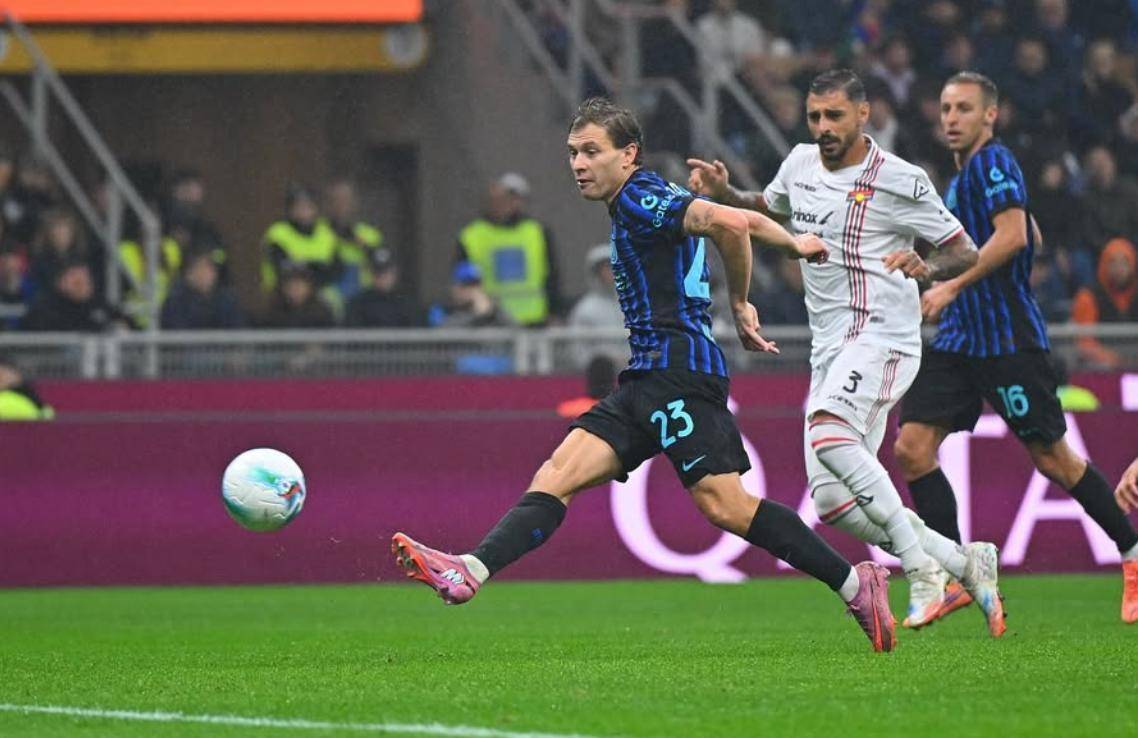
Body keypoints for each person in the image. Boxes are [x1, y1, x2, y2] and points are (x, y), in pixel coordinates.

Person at [394, 97, 901, 653]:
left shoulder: (639, 198)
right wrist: (793, 243)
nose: (578, 163)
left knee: (725, 505)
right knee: (558, 473)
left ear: (628, 154)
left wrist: (739, 303)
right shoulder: (649, 196)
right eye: (573, 152)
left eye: (592, 151)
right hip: (645, 377)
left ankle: (855, 583)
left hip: (680, 373)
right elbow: (735, 218)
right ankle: (469, 570)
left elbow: (730, 221)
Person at [687, 69, 1006, 636]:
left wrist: (927, 266)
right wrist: (727, 194)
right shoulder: (800, 163)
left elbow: (965, 250)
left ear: (863, 114)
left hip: (885, 336)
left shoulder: (900, 179)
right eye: (814, 116)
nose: (823, 127)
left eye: (834, 116)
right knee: (833, 500)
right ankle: (965, 562)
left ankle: (922, 570)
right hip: (831, 347)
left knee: (828, 430)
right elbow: (771, 207)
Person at [891, 72, 1138, 625]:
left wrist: (951, 285)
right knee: (912, 448)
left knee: (1054, 459)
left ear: (990, 115)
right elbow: (1031, 233)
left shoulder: (993, 163)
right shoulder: (963, 179)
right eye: (945, 108)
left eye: (964, 108)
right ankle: (961, 573)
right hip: (960, 340)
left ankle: (1132, 554)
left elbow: (1016, 236)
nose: (951, 118)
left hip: (1006, 341)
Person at [455, 173, 564, 327]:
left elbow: (552, 276)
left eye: (513, 198)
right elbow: (464, 283)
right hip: (490, 322)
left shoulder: (537, 231)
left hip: (534, 320)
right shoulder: (471, 235)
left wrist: (555, 312)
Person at [1070, 237, 1138, 369]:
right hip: (1101, 370)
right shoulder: (1088, 297)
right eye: (1113, 262)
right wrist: (1116, 361)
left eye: (1124, 262)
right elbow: (1084, 342)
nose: (1119, 269)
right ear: (1104, 264)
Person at [344, 247, 418, 328]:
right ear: (371, 273)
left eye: (386, 272)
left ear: (395, 272)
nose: (382, 277)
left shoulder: (406, 303)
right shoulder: (358, 304)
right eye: (378, 272)